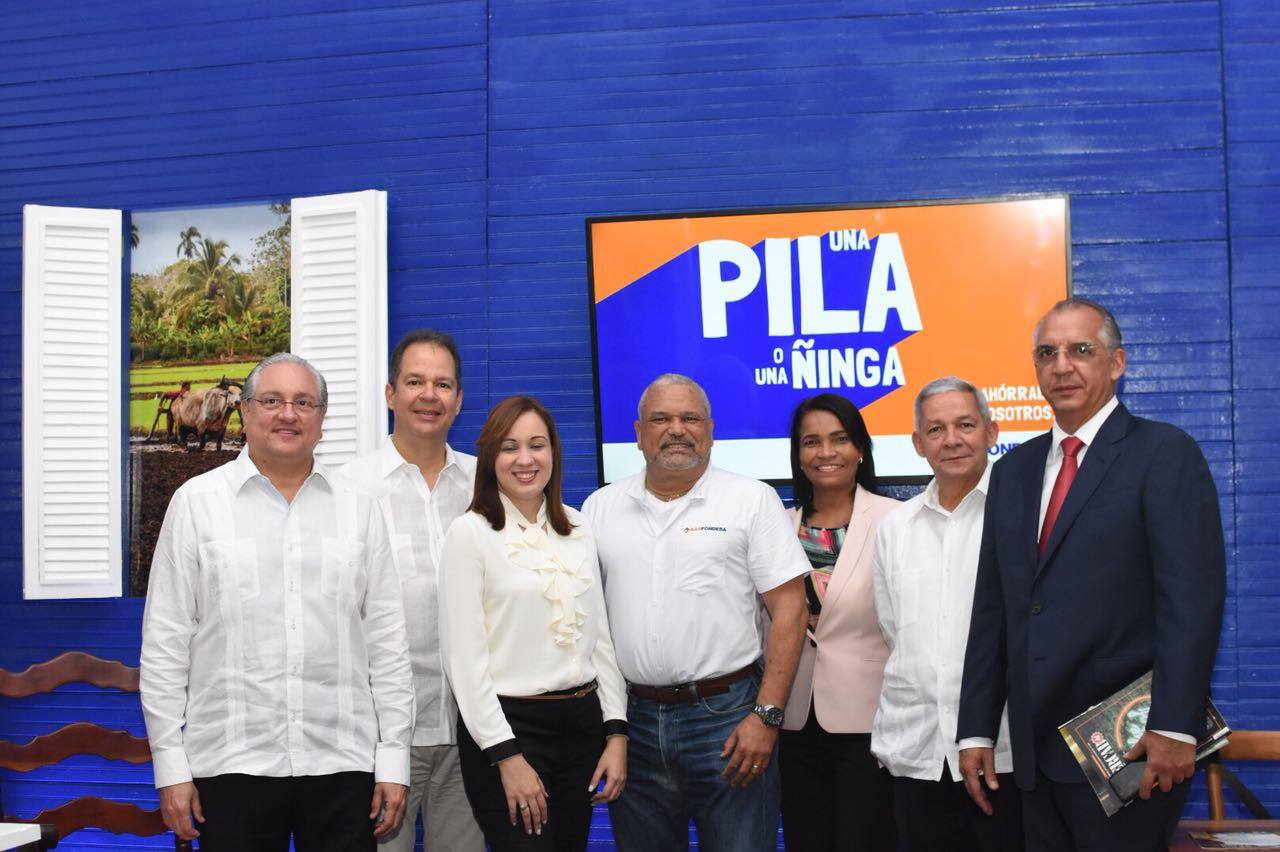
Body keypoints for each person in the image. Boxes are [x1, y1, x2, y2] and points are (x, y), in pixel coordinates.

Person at [957, 298, 1226, 851]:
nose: (1061, 366)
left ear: (1117, 362)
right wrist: (977, 728)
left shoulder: (1164, 453)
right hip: (1034, 753)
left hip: (1129, 746)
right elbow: (994, 608)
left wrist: (1175, 726)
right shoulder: (1012, 471)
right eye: (1047, 353)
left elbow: (1191, 603)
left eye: (1081, 350)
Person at [139, 352, 416, 851]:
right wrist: (170, 766)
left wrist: (394, 759)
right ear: (244, 412)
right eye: (271, 400)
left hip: (343, 762)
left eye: (303, 402)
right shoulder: (196, 504)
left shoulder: (361, 509)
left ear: (322, 420)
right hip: (230, 763)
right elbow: (165, 644)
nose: (288, 414)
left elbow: (388, 644)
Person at [582, 373, 810, 852]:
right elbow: (588, 623)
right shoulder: (599, 509)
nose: (676, 429)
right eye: (660, 419)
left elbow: (790, 610)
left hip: (728, 720)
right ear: (638, 432)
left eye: (690, 418)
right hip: (633, 725)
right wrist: (610, 725)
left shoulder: (751, 500)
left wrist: (767, 717)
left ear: (711, 429)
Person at [439, 395, 628, 851]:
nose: (525, 459)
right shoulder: (470, 533)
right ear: (491, 458)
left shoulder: (578, 528)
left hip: (582, 726)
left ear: (553, 453)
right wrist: (506, 756)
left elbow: (600, 640)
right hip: (509, 729)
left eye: (536, 445)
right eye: (509, 447)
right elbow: (464, 662)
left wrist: (616, 731)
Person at [340, 330, 485, 852]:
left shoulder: (487, 484)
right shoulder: (348, 489)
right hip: (378, 739)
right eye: (415, 381)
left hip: (472, 732)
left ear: (459, 399)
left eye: (443, 384)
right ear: (390, 393)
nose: (429, 395)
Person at [871, 377, 1022, 851]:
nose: (951, 440)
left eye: (965, 425)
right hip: (917, 751)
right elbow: (894, 631)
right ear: (918, 443)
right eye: (936, 430)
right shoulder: (895, 527)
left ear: (992, 432)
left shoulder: (1023, 517)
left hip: (1003, 752)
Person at [777, 393, 898, 851]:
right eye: (811, 442)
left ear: (861, 449)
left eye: (840, 439)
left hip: (871, 719)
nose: (825, 452)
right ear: (798, 454)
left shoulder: (895, 520)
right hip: (793, 720)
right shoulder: (776, 526)